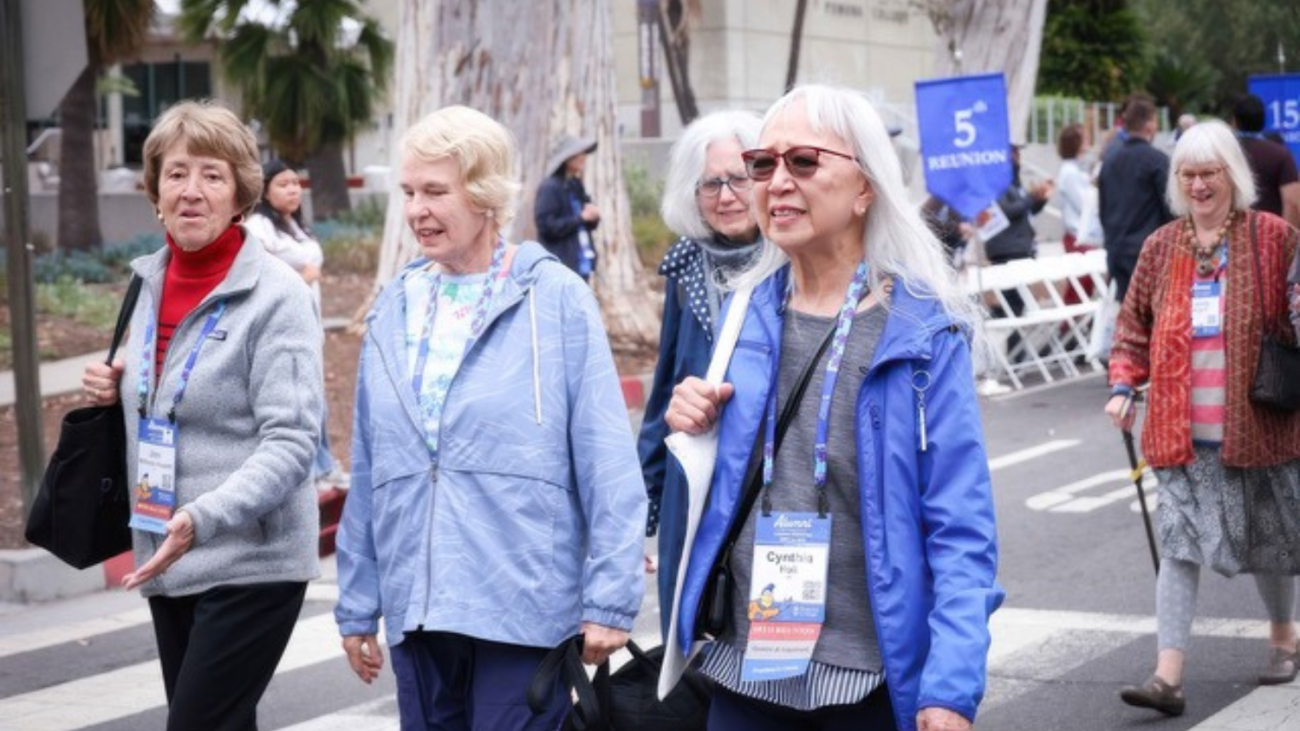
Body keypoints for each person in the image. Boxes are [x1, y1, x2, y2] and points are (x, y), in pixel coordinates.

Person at [662, 84, 1003, 731]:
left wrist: (950, 686)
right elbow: (712, 489)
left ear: (867, 186)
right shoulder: (741, 316)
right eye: (765, 163)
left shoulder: (923, 336)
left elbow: (961, 526)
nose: (777, 181)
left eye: (805, 161)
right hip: (746, 665)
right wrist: (693, 424)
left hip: (871, 679)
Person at [333, 105, 646, 729]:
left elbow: (607, 454)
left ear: (483, 195)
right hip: (418, 609)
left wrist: (610, 598)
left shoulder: (555, 298)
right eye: (409, 192)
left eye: (436, 191)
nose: (417, 209)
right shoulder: (392, 309)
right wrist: (357, 603)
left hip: (521, 601)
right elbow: (371, 466)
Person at [80, 100, 323, 730]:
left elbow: (293, 443)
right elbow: (168, 399)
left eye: (212, 175)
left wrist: (202, 517)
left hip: (251, 558)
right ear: (155, 191)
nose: (191, 191)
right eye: (177, 173)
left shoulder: (279, 296)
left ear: (241, 194)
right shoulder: (147, 284)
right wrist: (119, 392)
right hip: (167, 550)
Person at [1107, 119, 1300, 718]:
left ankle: (1283, 636)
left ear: (1232, 176)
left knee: (1270, 542)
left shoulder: (1273, 236)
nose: (1197, 185)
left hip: (1258, 426)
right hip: (1179, 431)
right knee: (1179, 546)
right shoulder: (1161, 247)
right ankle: (1168, 676)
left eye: (1208, 173)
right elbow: (1131, 325)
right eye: (1187, 174)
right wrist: (1122, 384)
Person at [638, 109, 764, 643]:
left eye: (740, 177)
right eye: (711, 182)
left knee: (766, 629)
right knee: (689, 640)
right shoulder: (687, 264)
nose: (727, 194)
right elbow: (667, 384)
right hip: (695, 475)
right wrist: (644, 504)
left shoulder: (795, 259)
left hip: (767, 476)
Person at [245, 159, 347, 489]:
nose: (293, 190)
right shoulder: (259, 228)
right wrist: (302, 278)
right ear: (265, 190)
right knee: (300, 397)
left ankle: (323, 465)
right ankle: (314, 470)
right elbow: (258, 276)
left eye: (296, 183)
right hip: (283, 325)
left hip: (309, 320)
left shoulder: (296, 225)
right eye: (283, 184)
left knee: (315, 393)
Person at [1098, 94, 1174, 303]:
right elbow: (1171, 210)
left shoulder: (1109, 160)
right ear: (1149, 125)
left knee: (1129, 320)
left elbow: (1103, 209)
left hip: (1116, 253)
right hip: (1148, 256)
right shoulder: (1157, 160)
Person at [534, 134, 601, 280]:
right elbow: (546, 226)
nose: (583, 157)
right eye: (578, 154)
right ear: (567, 158)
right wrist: (581, 218)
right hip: (561, 265)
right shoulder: (550, 187)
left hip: (581, 262)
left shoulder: (575, 184)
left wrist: (593, 216)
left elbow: (587, 223)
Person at [1231, 93, 1300, 229]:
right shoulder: (1280, 154)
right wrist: (1286, 241)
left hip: (1229, 236)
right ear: (1263, 119)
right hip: (1269, 234)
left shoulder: (1222, 153)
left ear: (1234, 121)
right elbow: (1292, 202)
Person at [1055, 123, 1097, 254]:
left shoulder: (1076, 169)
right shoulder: (1070, 172)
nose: (1088, 140)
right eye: (1084, 138)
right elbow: (1084, 205)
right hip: (1079, 236)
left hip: (1084, 236)